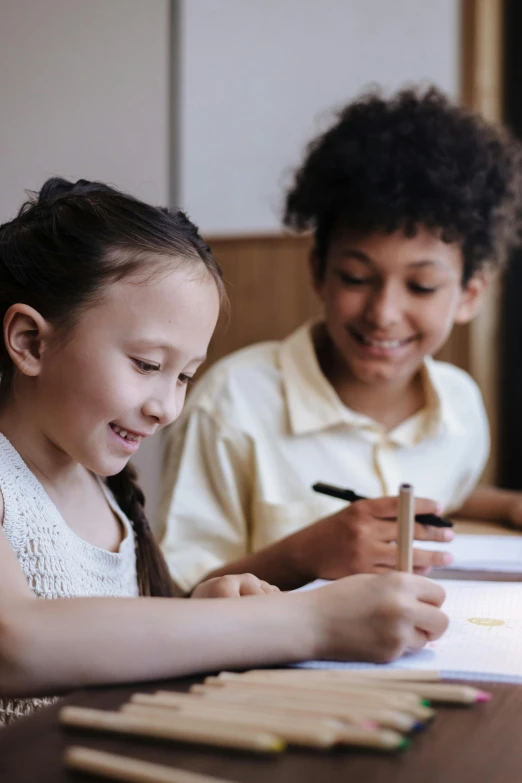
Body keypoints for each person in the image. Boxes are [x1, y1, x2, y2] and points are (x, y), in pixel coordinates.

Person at [0, 178, 448, 725]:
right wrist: (311, 621)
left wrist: (197, 615)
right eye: (146, 364)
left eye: (185, 375)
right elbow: (15, 643)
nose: (167, 407)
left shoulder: (100, 488)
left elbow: (109, 647)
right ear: (30, 341)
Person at [160, 86, 522, 596]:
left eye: (421, 286)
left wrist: (505, 504)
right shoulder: (232, 404)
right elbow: (174, 594)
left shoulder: (459, 408)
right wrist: (302, 556)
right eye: (356, 277)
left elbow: (447, 495)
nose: (383, 313)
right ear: (319, 272)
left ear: (469, 295)